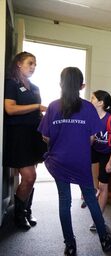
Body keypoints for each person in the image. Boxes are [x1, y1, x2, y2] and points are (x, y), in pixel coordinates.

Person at [38, 67, 111, 256]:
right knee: (91, 199)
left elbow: (45, 137)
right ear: (82, 86)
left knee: (64, 201)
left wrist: (61, 138)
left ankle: (70, 245)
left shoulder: (53, 106)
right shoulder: (88, 108)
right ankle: (104, 240)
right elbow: (92, 138)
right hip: (81, 161)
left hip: (59, 161)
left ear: (60, 84)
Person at [4, 51, 47, 230]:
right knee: (30, 177)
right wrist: (37, 106)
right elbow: (10, 109)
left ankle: (26, 210)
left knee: (31, 178)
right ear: (19, 64)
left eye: (35, 64)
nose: (33, 67)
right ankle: (18, 215)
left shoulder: (35, 87)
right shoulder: (11, 84)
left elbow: (38, 113)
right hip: (18, 136)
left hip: (34, 135)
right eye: (30, 63)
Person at [89, 90, 111, 231]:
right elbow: (89, 140)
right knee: (94, 185)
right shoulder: (90, 117)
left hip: (106, 154)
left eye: (93, 98)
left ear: (101, 102)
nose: (90, 100)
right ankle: (95, 192)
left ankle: (98, 219)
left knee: (103, 186)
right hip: (93, 151)